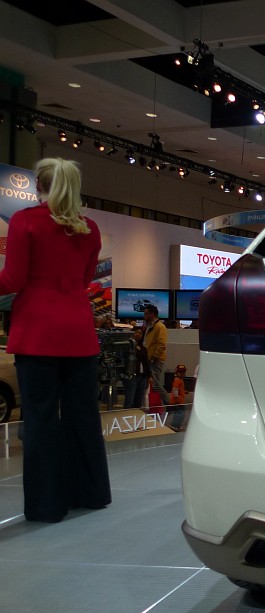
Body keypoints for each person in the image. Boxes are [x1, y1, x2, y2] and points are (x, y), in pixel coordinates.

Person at [0, 158, 111, 522]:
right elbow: (84, 280)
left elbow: (13, 280)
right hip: (78, 333)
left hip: (37, 334)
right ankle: (91, 494)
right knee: (83, 416)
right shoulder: (90, 228)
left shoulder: (25, 221)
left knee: (41, 419)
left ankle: (47, 506)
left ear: (39, 186)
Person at [142, 303, 172, 408]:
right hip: (149, 359)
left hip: (155, 359)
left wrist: (154, 357)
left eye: (146, 313)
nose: (144, 315)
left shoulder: (160, 327)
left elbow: (161, 344)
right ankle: (148, 405)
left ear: (153, 314)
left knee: (155, 384)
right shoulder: (150, 326)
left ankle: (168, 403)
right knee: (149, 384)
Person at [122, 327, 150, 409]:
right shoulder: (127, 347)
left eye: (140, 333)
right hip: (131, 376)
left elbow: (146, 362)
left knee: (139, 400)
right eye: (136, 332)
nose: (138, 334)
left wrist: (149, 375)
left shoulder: (144, 348)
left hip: (142, 376)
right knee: (129, 400)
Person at [168, 363, 188, 431]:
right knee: (180, 414)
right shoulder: (177, 380)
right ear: (176, 373)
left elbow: (179, 389)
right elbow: (175, 390)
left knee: (179, 413)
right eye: (180, 372)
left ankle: (177, 425)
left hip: (179, 401)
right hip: (178, 401)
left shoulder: (180, 380)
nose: (182, 373)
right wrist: (177, 398)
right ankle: (175, 425)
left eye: (184, 372)